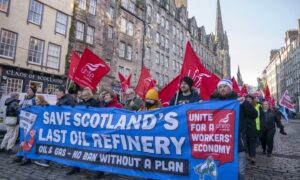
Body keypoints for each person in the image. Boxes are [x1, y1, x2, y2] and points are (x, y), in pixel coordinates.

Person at [211, 79, 257, 180]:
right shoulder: (214, 102)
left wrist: (244, 103)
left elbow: (254, 114)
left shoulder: (239, 100)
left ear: (230, 88)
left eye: (224, 86)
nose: (222, 89)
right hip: (220, 145)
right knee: (222, 171)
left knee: (240, 172)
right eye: (220, 87)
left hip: (238, 144)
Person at [66, 88, 103, 177]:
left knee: (94, 150)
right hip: (81, 130)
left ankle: (99, 171)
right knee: (77, 149)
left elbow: (101, 115)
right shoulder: (81, 103)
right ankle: (76, 167)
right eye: (83, 96)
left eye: (86, 96)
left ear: (90, 95)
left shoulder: (95, 103)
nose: (84, 98)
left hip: (92, 130)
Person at [33, 95, 50, 167]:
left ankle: (45, 160)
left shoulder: (44, 107)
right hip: (38, 128)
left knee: (44, 144)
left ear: (41, 100)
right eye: (35, 100)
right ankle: (39, 158)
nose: (36, 101)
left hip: (44, 129)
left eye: (37, 100)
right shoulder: (37, 107)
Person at [245, 95, 258, 164]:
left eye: (250, 99)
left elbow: (255, 114)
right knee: (247, 143)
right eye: (247, 99)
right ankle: (250, 155)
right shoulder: (243, 107)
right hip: (245, 129)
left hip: (252, 128)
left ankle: (253, 157)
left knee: (252, 143)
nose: (248, 100)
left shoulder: (253, 107)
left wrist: (249, 106)